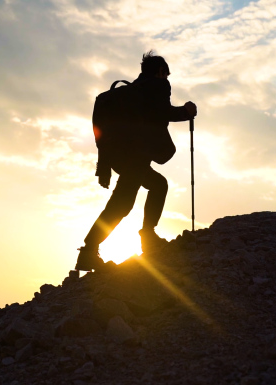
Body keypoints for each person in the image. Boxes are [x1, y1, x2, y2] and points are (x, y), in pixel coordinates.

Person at [75, 51, 197, 272]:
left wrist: (104, 167)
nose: (167, 78)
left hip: (121, 158)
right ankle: (90, 251)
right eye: (166, 74)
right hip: (137, 157)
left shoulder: (128, 93)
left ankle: (143, 236)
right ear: (160, 71)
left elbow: (103, 130)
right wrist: (186, 112)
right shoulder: (157, 86)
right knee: (122, 204)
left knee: (157, 185)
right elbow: (163, 112)